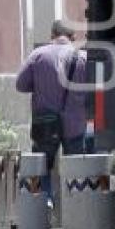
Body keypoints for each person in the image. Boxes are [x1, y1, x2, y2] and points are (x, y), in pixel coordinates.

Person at [16, 20, 87, 200]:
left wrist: (41, 86)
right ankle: (77, 203)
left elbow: (21, 85)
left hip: (45, 123)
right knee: (76, 168)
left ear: (52, 35)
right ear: (72, 37)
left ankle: (43, 202)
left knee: (41, 167)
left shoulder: (38, 55)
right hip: (75, 124)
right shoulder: (83, 58)